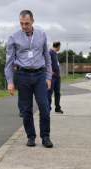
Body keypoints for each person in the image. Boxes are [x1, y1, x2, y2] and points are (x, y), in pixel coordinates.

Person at [5, 10, 53, 148]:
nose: (24, 26)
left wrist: (48, 76)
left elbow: (47, 57)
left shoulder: (41, 35)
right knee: (26, 109)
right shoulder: (13, 37)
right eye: (21, 23)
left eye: (26, 23)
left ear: (33, 21)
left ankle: (45, 137)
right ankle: (31, 136)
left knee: (44, 106)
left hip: (39, 75)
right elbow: (9, 61)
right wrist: (10, 82)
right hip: (22, 75)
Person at [47, 41, 63, 113]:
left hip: (57, 76)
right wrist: (49, 71)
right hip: (52, 76)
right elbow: (46, 62)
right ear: (58, 46)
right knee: (49, 92)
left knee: (57, 92)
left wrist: (59, 69)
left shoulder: (55, 54)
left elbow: (56, 63)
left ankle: (57, 107)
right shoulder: (50, 53)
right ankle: (48, 107)